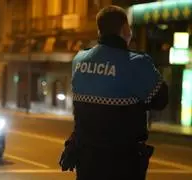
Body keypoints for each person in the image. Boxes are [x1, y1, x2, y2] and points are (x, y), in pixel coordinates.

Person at [59, 5, 168, 180]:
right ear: (125, 29)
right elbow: (161, 99)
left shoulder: (79, 60)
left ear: (99, 30)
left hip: (86, 163)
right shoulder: (137, 63)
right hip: (123, 164)